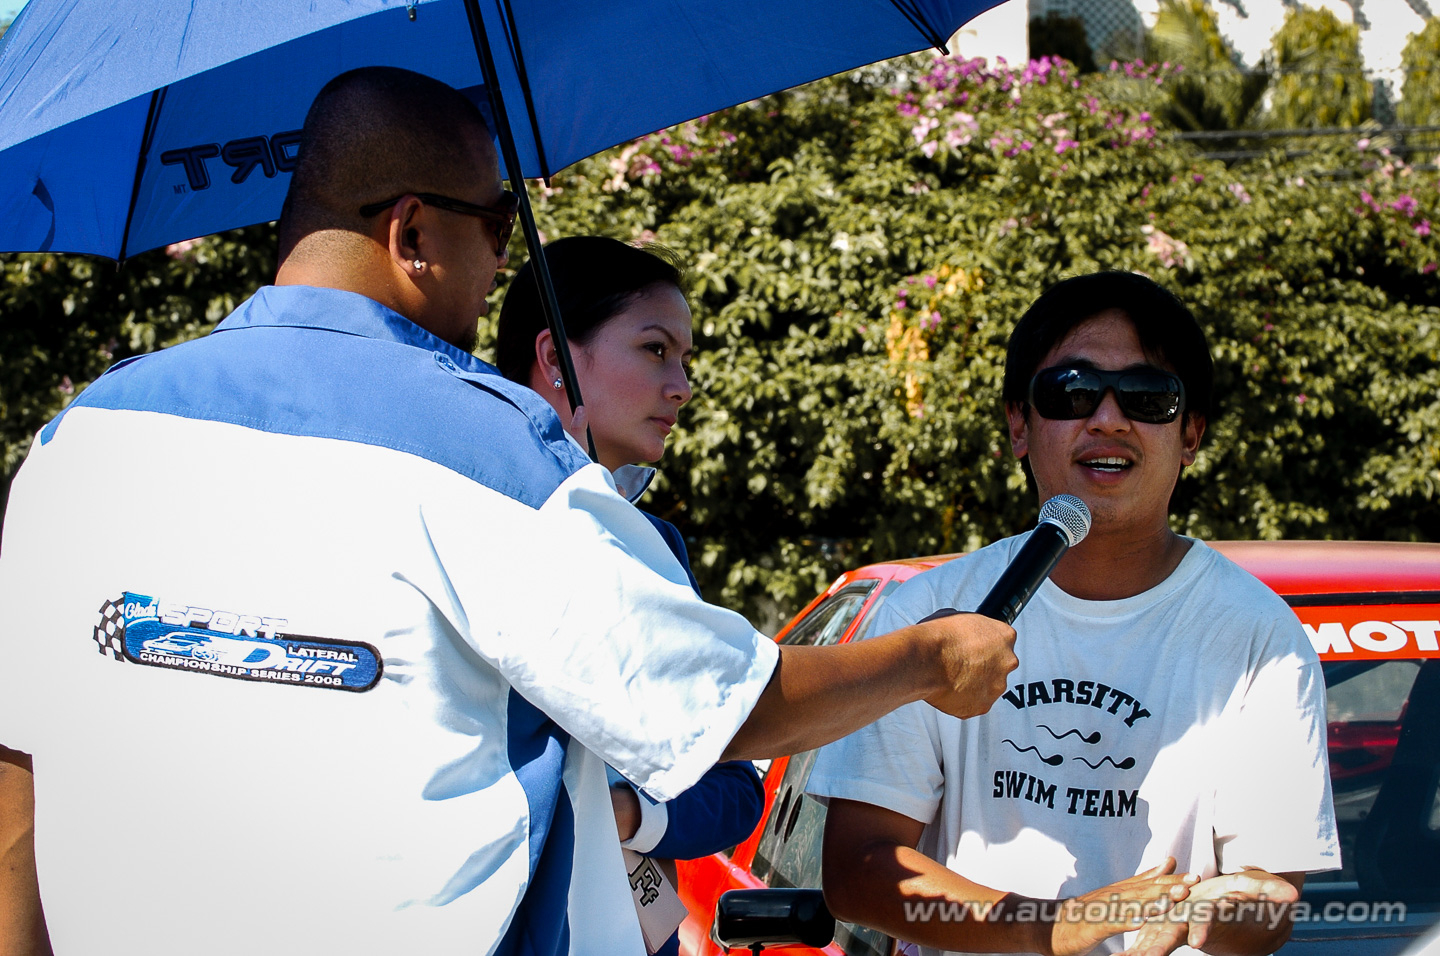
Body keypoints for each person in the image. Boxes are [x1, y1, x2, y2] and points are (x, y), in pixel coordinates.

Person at [0, 67, 1023, 956]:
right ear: (412, 232)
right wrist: (930, 657)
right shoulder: (488, 454)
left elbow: (18, 792)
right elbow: (728, 709)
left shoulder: (78, 440)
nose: (501, 267)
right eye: (495, 228)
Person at [808, 271, 1339, 956]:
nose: (1109, 419)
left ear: (1191, 433)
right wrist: (1058, 924)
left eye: (1148, 397)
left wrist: (1211, 912)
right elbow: (858, 872)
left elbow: (1268, 898)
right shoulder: (927, 615)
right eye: (1072, 392)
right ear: (1018, 426)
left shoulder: (1259, 636)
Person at [496, 235, 764, 956]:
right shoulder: (469, 531)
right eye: (654, 350)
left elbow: (736, 791)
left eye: (684, 359)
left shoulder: (658, 550)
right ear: (555, 358)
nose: (681, 385)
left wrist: (627, 813)